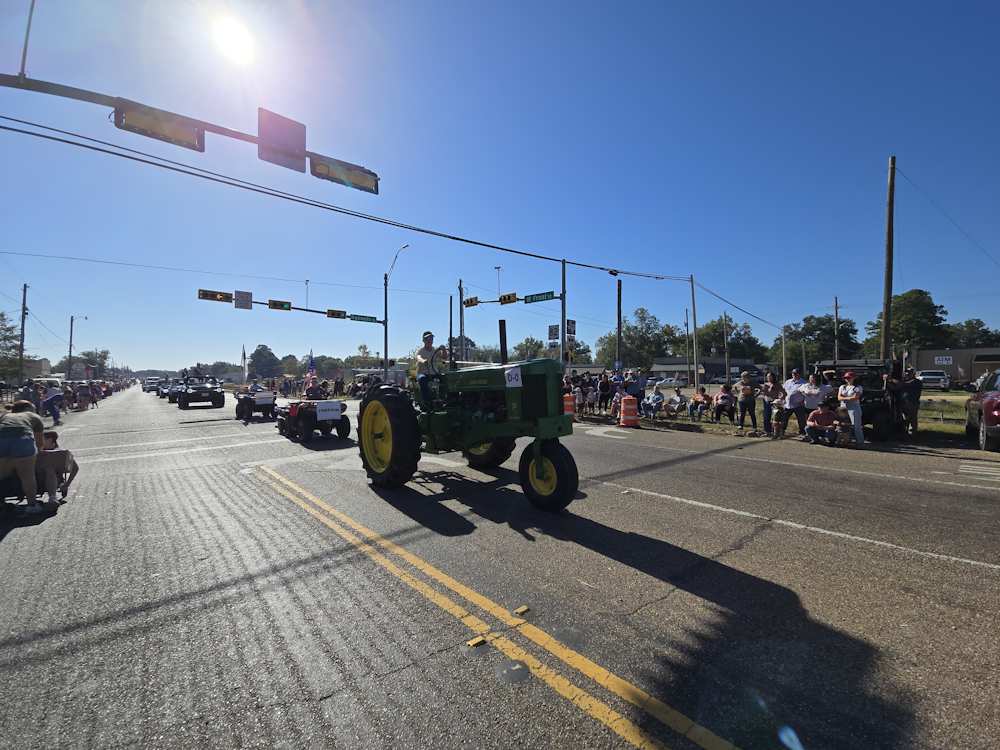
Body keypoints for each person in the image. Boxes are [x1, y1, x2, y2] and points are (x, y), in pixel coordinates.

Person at [0, 400, 46, 513]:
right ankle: (32, 505)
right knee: (27, 476)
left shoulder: (5, 415)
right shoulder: (33, 416)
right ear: (28, 409)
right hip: (22, 439)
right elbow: (40, 443)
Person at [36, 431, 79, 504]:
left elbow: (75, 468)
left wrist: (67, 484)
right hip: (34, 479)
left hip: (52, 478)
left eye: (41, 439)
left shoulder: (60, 453)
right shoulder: (34, 451)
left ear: (50, 440)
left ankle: (52, 498)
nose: (38, 442)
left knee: (49, 469)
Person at [887, 367, 922, 435]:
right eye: (906, 373)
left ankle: (913, 434)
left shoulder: (917, 382)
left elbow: (903, 384)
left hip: (913, 403)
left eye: (909, 373)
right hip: (904, 403)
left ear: (913, 374)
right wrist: (888, 383)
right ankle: (905, 433)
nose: (907, 374)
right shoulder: (905, 381)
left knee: (912, 419)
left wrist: (891, 379)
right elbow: (896, 388)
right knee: (905, 419)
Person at [415, 331, 445, 404]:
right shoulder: (421, 351)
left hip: (434, 373)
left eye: (431, 339)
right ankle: (427, 401)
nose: (430, 340)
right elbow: (418, 357)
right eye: (428, 339)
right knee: (422, 379)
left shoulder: (435, 350)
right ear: (424, 340)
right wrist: (423, 360)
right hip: (423, 373)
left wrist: (444, 350)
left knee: (445, 379)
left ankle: (444, 399)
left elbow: (444, 357)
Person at [838, 371, 866, 446]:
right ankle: (846, 441)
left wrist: (845, 398)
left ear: (854, 378)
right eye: (846, 378)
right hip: (843, 407)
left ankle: (860, 442)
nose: (847, 379)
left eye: (849, 378)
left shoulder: (857, 387)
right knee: (844, 425)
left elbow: (856, 397)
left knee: (856, 426)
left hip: (854, 407)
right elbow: (839, 397)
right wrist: (848, 398)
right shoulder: (842, 387)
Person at [782, 368, 808, 434]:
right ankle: (782, 430)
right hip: (787, 404)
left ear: (799, 374)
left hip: (798, 405)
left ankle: (802, 432)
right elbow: (783, 391)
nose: (794, 375)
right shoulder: (788, 382)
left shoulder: (804, 383)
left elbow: (806, 394)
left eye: (795, 373)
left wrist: (803, 401)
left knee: (801, 420)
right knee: (784, 418)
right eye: (793, 373)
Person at [759, 372, 785, 436]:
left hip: (774, 403)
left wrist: (780, 399)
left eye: (770, 376)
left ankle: (775, 432)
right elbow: (763, 393)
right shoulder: (766, 384)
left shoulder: (777, 384)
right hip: (766, 402)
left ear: (773, 377)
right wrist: (764, 390)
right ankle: (767, 431)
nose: (769, 378)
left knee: (775, 418)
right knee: (766, 417)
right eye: (767, 377)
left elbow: (783, 393)